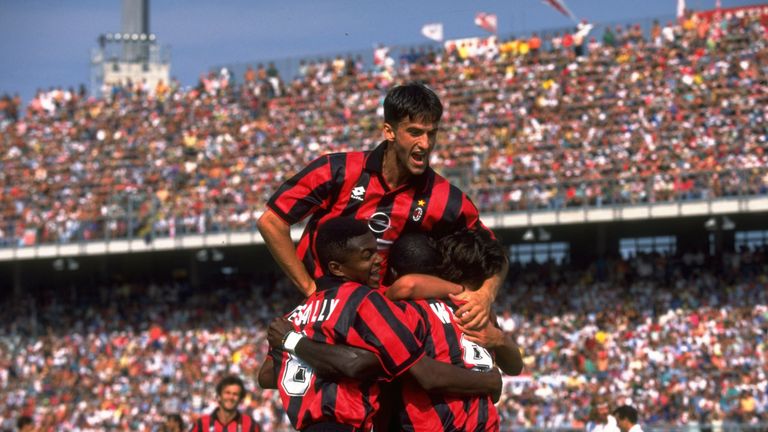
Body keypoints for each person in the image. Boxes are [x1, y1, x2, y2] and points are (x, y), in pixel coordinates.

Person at [257, 82, 506, 329]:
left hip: (381, 318)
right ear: (389, 131)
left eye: (432, 133)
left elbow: (495, 255)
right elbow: (271, 222)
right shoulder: (337, 170)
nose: (426, 143)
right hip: (320, 311)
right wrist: (309, 288)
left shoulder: (444, 197)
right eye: (416, 132)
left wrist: (485, 295)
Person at [258, 217, 501, 431]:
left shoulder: (295, 316)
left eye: (376, 251)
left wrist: (302, 348)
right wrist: (489, 381)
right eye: (367, 256)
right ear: (336, 268)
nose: (378, 261)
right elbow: (422, 373)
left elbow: (267, 376)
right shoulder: (365, 300)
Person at [384, 229, 524, 431]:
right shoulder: (417, 308)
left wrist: (500, 339)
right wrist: (488, 382)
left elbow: (514, 367)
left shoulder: (482, 313)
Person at [190, 375, 259, 432]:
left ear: (240, 399)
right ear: (219, 396)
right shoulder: (202, 423)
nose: (231, 397)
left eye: (235, 394)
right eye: (227, 393)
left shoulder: (250, 425)